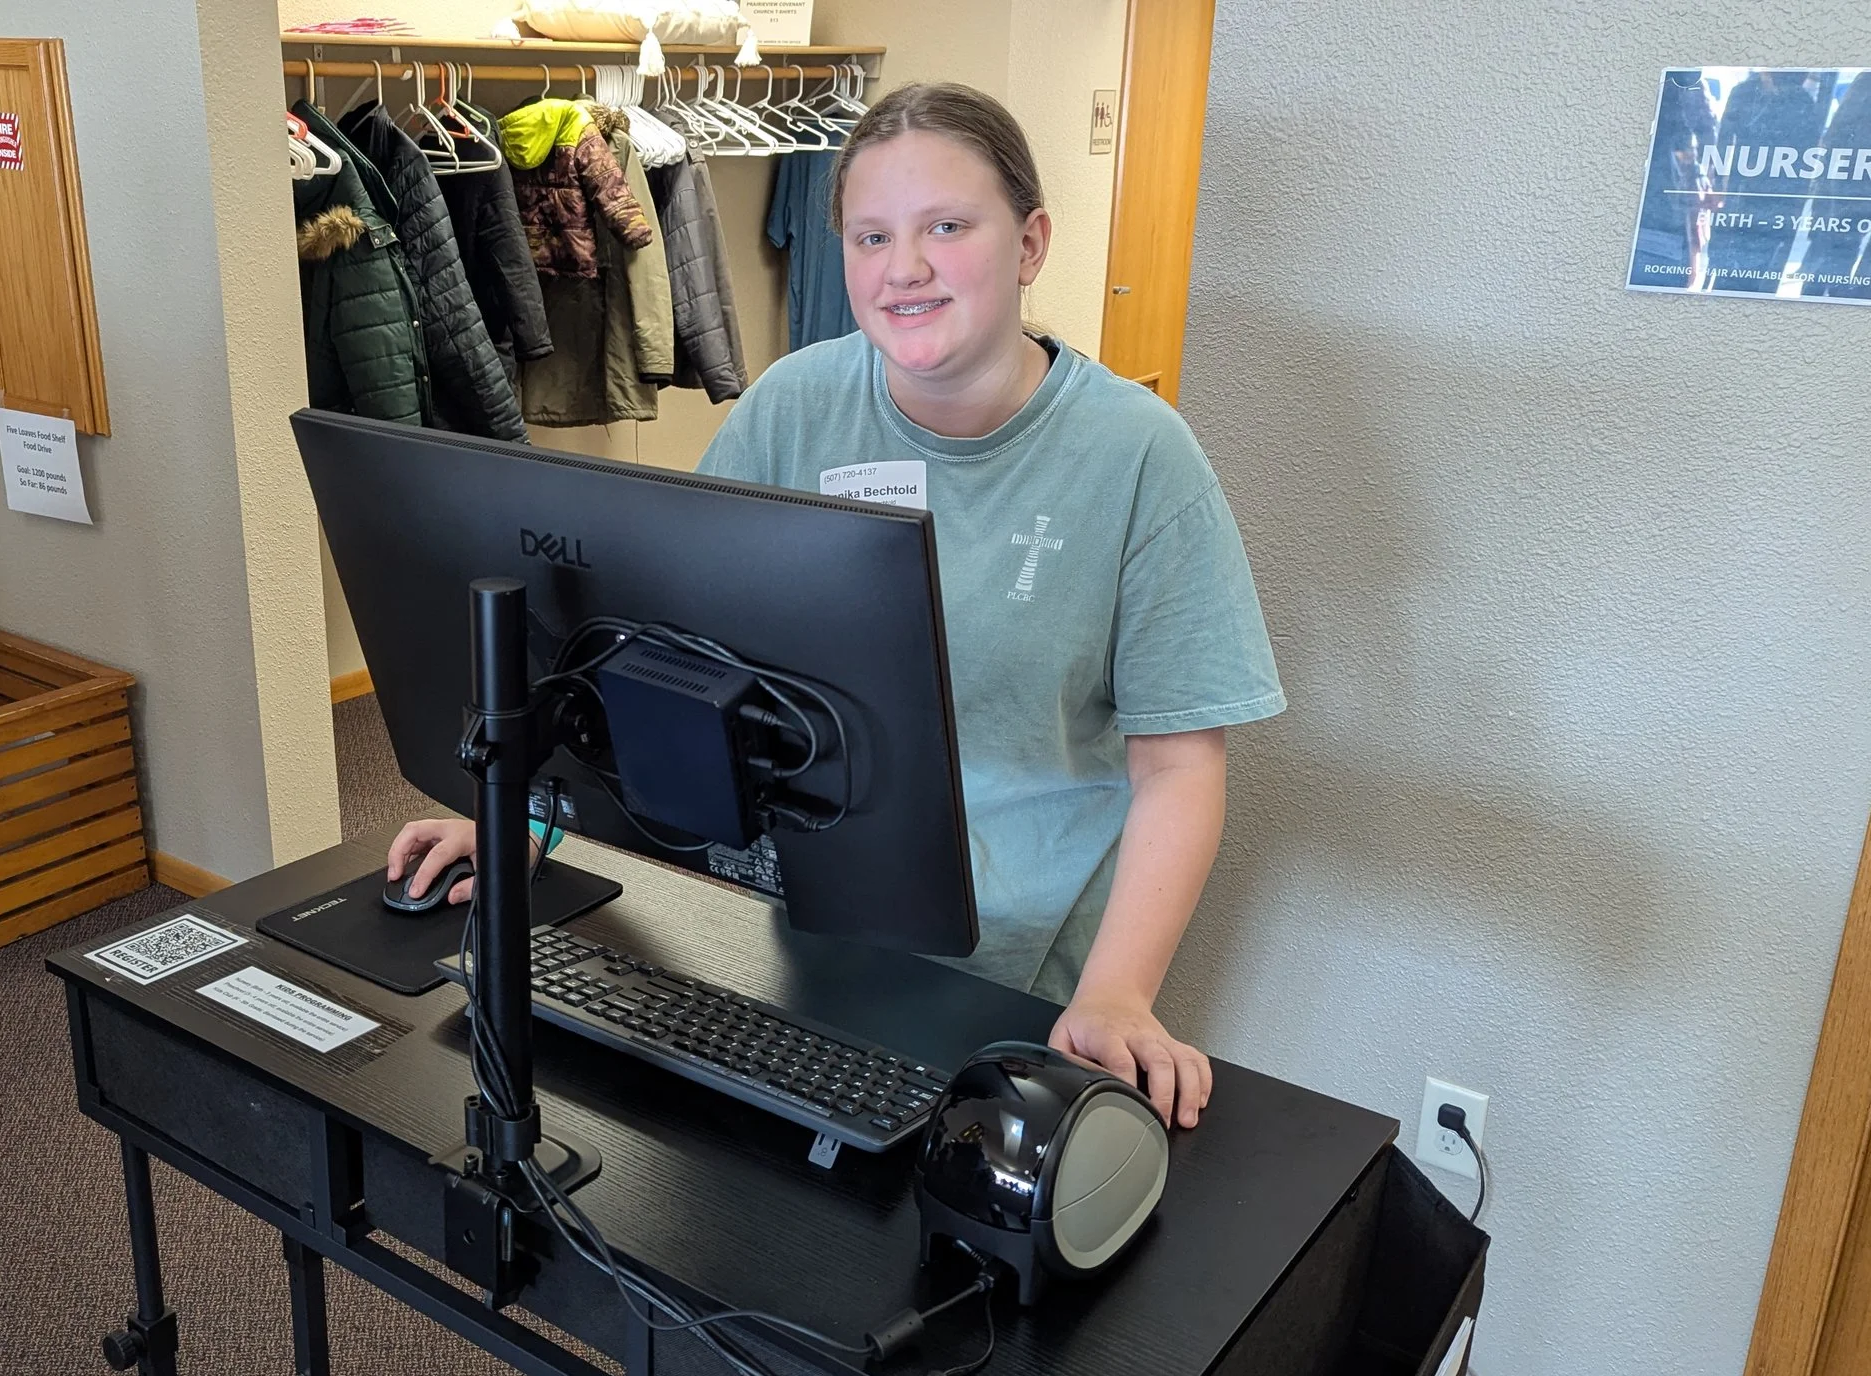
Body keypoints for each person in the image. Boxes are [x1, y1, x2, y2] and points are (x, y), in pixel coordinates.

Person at [388, 82, 1283, 1130]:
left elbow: (1179, 766)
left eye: (946, 227)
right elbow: (646, 654)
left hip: (1009, 977)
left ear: (1030, 244)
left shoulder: (1138, 456)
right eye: (871, 237)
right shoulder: (793, 406)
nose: (904, 268)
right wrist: (528, 812)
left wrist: (1120, 993)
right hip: (784, 922)